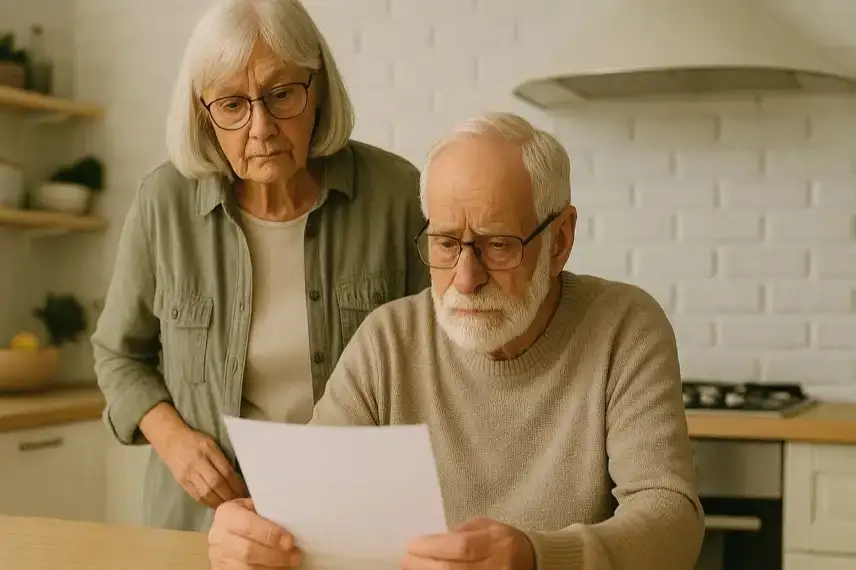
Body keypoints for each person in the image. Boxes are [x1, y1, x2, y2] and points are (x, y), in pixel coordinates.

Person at [205, 112, 705, 570]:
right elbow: (304, 509)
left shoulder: (624, 327)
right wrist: (245, 534)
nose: (465, 278)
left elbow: (672, 520)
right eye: (445, 243)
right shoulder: (387, 341)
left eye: (497, 245)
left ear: (560, 240)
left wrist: (538, 557)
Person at [91, 0, 429, 532]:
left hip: (355, 521)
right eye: (232, 105)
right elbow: (118, 356)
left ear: (317, 90)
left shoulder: (396, 195)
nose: (262, 127)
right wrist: (177, 444)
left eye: (282, 94)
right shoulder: (164, 202)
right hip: (201, 525)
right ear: (204, 114)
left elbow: (440, 362)